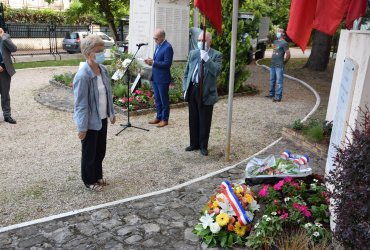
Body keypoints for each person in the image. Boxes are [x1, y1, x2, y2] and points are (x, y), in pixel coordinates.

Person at [73, 35, 116, 192]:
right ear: (88, 52)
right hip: (90, 122)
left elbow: (107, 93)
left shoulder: (102, 70)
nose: (102, 53)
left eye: (102, 50)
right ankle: (88, 180)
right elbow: (81, 105)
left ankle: (98, 176)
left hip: (102, 118)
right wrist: (82, 127)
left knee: (100, 150)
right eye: (99, 51)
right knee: (89, 153)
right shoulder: (83, 76)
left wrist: (111, 113)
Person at [183, 31, 222, 156]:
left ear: (209, 41)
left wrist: (207, 60)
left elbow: (216, 71)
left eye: (203, 40)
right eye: (199, 40)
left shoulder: (216, 55)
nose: (200, 43)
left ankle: (203, 146)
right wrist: (185, 88)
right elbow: (186, 72)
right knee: (193, 118)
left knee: (204, 120)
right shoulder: (193, 53)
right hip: (193, 89)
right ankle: (194, 143)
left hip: (205, 91)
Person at [145, 28, 174, 128]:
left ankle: (164, 119)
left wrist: (153, 62)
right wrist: (151, 61)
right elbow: (157, 60)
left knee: (164, 99)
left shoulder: (167, 47)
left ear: (162, 37)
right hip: (156, 77)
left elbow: (167, 64)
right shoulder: (158, 45)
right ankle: (159, 116)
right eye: (154, 38)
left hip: (163, 78)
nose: (155, 40)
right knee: (157, 99)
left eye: (156, 38)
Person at [266, 28, 290, 102]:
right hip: (273, 64)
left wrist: (284, 62)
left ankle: (278, 97)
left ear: (283, 33)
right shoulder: (275, 42)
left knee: (279, 81)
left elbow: (288, 54)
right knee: (272, 80)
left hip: (279, 65)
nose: (278, 33)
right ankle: (271, 94)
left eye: (279, 31)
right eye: (277, 31)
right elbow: (275, 51)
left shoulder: (284, 43)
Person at [0, 27, 17, 124]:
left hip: (5, 70)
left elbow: (14, 49)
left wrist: (3, 37)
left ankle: (7, 115)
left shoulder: (5, 37)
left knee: (5, 94)